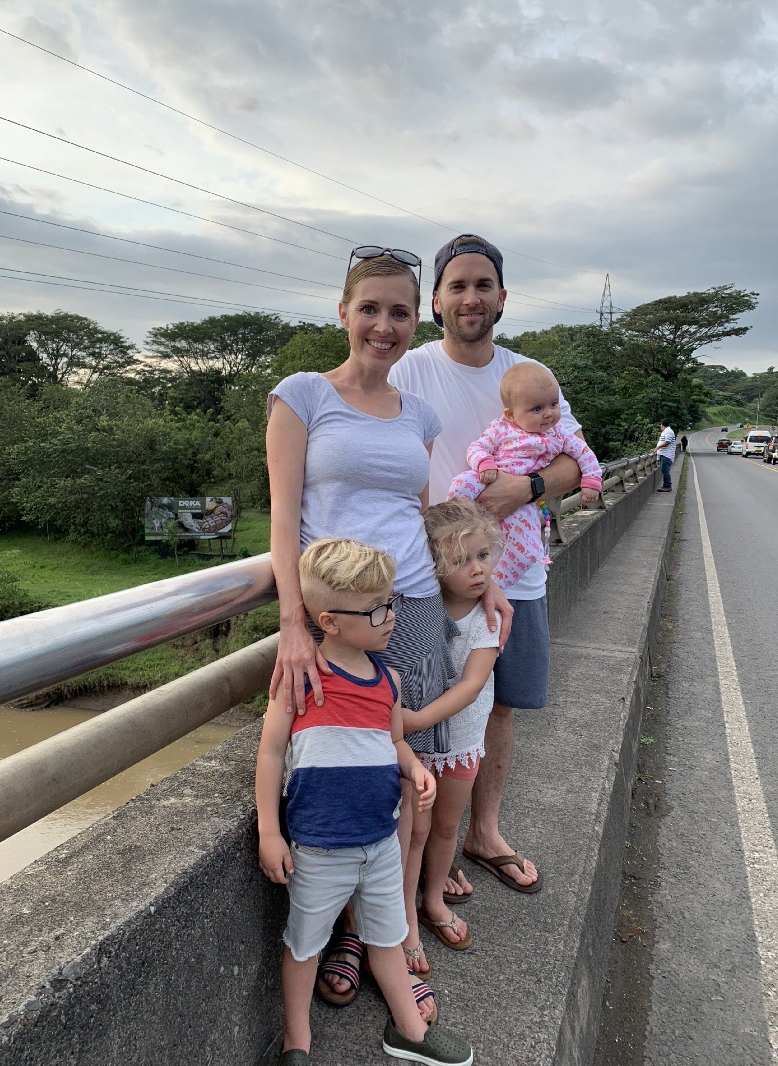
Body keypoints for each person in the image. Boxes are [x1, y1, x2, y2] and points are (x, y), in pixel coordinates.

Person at [265, 246, 511, 1003]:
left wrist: (485, 580)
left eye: (399, 311)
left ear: (415, 320)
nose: (383, 324)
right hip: (336, 618)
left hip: (413, 607)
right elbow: (282, 518)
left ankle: (394, 926)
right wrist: (295, 623)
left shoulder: (419, 414)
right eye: (368, 308)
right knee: (342, 774)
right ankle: (348, 931)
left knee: (408, 784)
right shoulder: (303, 395)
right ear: (342, 313)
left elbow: (428, 518)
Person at [389, 233, 584, 900]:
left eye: (482, 285)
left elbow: (573, 457)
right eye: (457, 286)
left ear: (502, 298)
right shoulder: (408, 369)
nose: (470, 297)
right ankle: (430, 850)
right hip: (430, 578)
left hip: (516, 574)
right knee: (429, 705)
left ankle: (484, 831)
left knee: (499, 706)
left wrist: (527, 488)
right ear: (436, 302)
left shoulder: (526, 374)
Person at [256, 537, 473, 1066]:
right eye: (375, 609)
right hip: (319, 847)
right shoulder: (299, 680)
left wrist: (415, 769)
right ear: (328, 622)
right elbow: (271, 751)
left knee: (388, 938)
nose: (390, 617)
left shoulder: (387, 681)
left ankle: (409, 1032)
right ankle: (297, 1040)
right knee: (304, 946)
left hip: (380, 843)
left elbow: (394, 740)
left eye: (390, 603)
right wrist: (269, 831)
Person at [403, 499, 503, 951]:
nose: (478, 569)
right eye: (461, 561)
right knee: (416, 832)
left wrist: (416, 719)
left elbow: (472, 685)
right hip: (419, 747)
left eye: (483, 555)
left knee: (445, 828)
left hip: (460, 740)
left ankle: (433, 900)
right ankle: (407, 910)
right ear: (435, 566)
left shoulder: (487, 618)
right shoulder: (419, 611)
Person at [447, 361, 602, 588]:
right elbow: (476, 448)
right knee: (461, 483)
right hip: (489, 478)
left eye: (553, 404)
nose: (548, 414)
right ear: (511, 415)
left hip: (524, 503)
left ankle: (495, 583)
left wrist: (591, 481)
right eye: (537, 409)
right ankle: (456, 527)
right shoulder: (501, 428)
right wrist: (484, 463)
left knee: (528, 551)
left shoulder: (559, 434)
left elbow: (584, 454)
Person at [653, 418, 676, 491]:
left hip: (667, 454)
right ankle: (666, 486)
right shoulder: (666, 431)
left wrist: (657, 448)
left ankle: (667, 486)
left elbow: (667, 442)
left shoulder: (668, 431)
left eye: (660, 424)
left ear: (662, 425)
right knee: (664, 470)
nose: (660, 426)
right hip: (664, 454)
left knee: (665, 470)